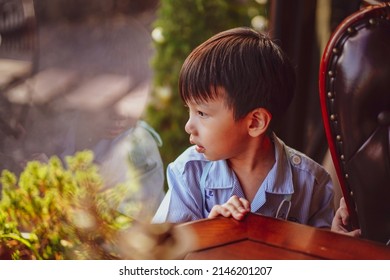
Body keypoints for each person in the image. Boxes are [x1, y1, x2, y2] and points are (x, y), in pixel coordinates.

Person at [152, 27, 335, 228]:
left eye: (202, 113)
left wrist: (339, 244)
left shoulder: (312, 184)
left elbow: (321, 253)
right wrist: (209, 232)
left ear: (255, 122)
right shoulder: (188, 173)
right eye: (190, 110)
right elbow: (162, 254)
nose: (188, 126)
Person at [59, 104, 165, 220]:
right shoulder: (58, 130)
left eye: (130, 99)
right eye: (110, 101)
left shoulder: (137, 143)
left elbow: (136, 215)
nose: (121, 115)